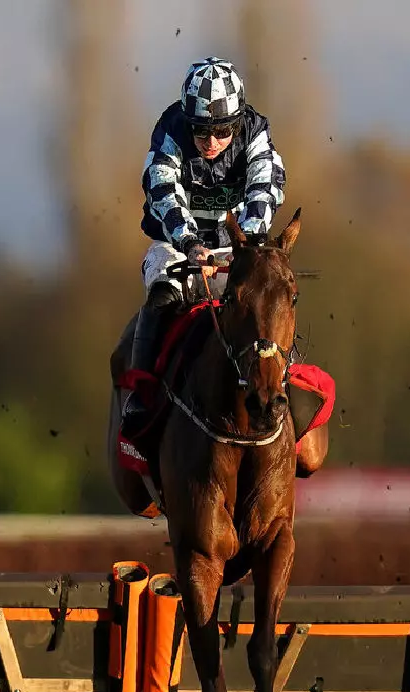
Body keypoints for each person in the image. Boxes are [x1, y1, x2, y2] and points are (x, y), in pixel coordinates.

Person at [120, 56, 287, 437]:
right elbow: (162, 189)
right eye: (201, 131)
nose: (211, 142)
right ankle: (142, 392)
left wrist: (240, 245)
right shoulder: (170, 130)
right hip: (177, 245)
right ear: (186, 119)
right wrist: (192, 244)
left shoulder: (257, 133)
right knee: (162, 289)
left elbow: (266, 189)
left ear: (239, 120)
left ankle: (281, 383)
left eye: (224, 130)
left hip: (239, 246)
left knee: (270, 295)